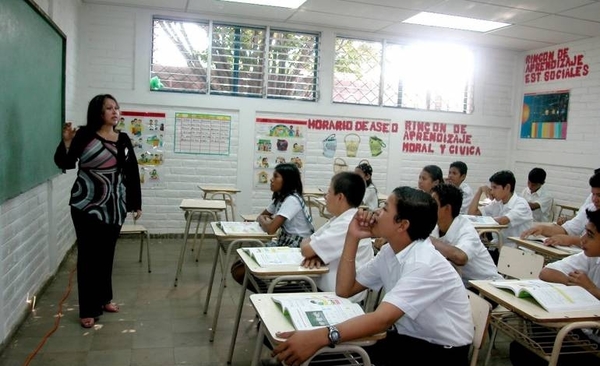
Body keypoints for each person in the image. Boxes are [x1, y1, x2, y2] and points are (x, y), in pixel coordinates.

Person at [271, 187, 473, 366]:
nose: (376, 212)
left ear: (402, 225)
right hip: (407, 339)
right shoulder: (390, 251)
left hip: (440, 353)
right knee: (325, 354)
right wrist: (353, 236)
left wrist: (320, 337)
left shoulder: (423, 263)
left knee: (324, 353)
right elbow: (345, 289)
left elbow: (381, 320)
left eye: (385, 209)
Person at [54, 94, 142, 329]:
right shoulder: (83, 135)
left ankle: (104, 299)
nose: (115, 112)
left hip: (114, 207)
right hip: (86, 205)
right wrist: (67, 143)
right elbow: (66, 163)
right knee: (88, 257)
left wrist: (135, 203)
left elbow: (131, 172)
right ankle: (88, 309)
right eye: (109, 108)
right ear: (98, 112)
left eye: (117, 108)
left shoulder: (122, 139)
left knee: (106, 255)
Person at [509, 209, 600, 366]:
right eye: (585, 233)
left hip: (594, 341)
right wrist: (575, 284)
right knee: (520, 347)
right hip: (581, 330)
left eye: (590, 235)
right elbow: (546, 272)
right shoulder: (590, 257)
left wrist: (591, 290)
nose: (582, 240)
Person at [231, 163, 314, 287]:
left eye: (276, 177)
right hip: (285, 241)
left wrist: (263, 219)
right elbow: (264, 216)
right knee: (238, 266)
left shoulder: (292, 200)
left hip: (297, 245)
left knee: (240, 270)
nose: (271, 180)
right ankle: (269, 288)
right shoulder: (281, 198)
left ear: (287, 181)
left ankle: (272, 290)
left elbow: (270, 229)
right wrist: (263, 219)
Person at [300, 172, 374, 302]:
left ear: (340, 197)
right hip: (326, 289)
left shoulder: (347, 224)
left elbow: (306, 249)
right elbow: (307, 243)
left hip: (338, 298)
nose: (325, 197)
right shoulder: (340, 219)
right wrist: (315, 254)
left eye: (328, 192)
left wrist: (314, 253)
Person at [430, 184, 503, 286]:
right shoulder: (436, 226)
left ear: (447, 208)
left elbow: (461, 258)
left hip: (486, 287)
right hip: (461, 283)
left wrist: (431, 241)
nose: (428, 207)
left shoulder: (466, 229)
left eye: (433, 204)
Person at [521, 172, 600, 247]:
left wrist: (571, 240)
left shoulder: (547, 195)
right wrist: (542, 229)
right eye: (593, 194)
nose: (594, 199)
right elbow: (566, 230)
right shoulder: (590, 208)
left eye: (599, 195)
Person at [468, 170, 533, 247]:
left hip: (517, 249)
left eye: (495, 187)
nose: (492, 192)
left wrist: (481, 220)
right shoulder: (497, 202)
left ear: (507, 188)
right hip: (498, 245)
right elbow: (472, 213)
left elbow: (503, 221)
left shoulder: (521, 204)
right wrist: (479, 191)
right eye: (491, 188)